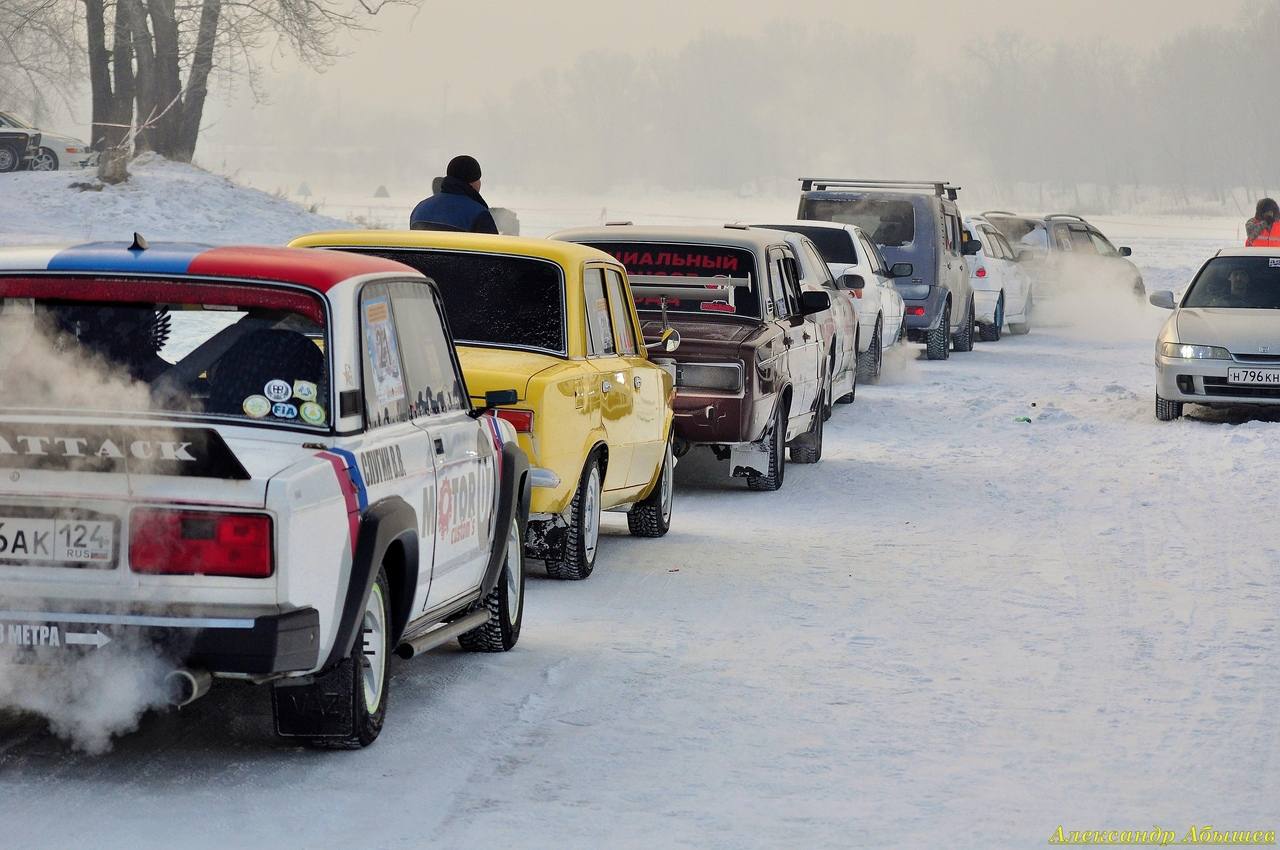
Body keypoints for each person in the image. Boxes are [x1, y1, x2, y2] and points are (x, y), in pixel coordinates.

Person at [409, 155, 499, 234]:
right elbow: (493, 249)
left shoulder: (420, 209)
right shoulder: (479, 214)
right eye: (478, 179)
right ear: (473, 181)